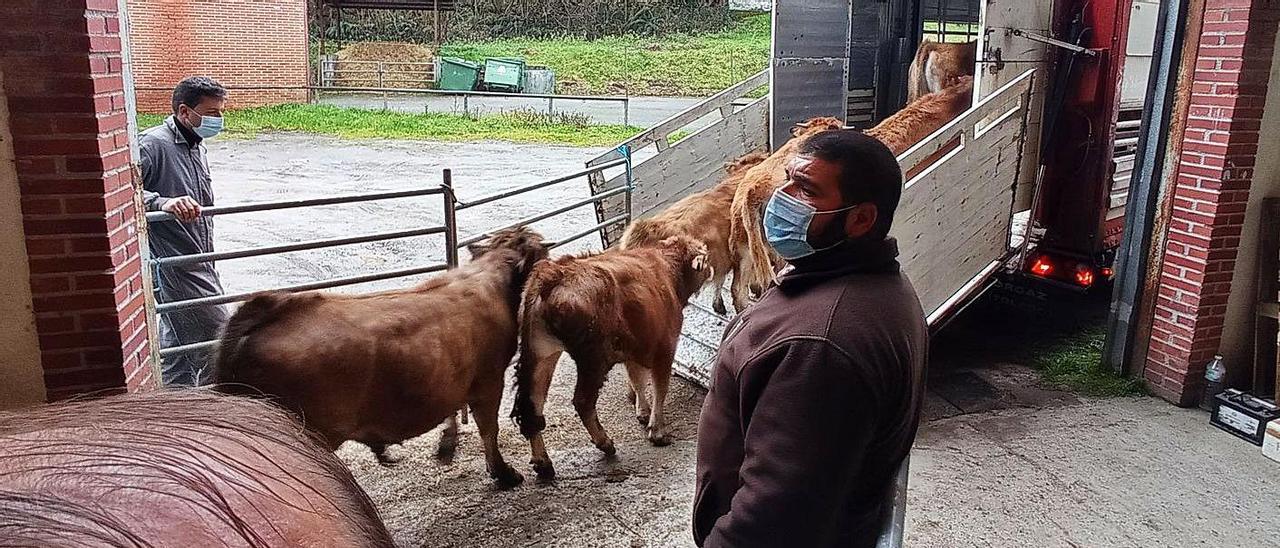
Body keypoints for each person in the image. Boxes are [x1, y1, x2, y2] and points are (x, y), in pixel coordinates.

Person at [692, 130, 928, 548]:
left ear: (860, 220)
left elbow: (771, 522)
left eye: (806, 190)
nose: (780, 197)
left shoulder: (819, 349)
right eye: (788, 180)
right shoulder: (868, 281)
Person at [139, 76, 229, 387]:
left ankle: (175, 408)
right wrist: (162, 202)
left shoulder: (195, 146)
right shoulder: (152, 145)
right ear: (184, 111)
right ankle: (213, 409)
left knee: (176, 347)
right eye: (211, 112)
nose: (218, 119)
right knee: (218, 341)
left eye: (220, 111)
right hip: (175, 264)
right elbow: (122, 194)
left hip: (201, 257)